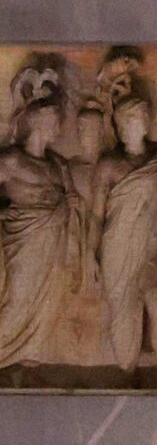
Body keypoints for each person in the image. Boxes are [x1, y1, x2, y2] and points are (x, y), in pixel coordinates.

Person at [89, 92, 157, 380]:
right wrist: (90, 254)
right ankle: (127, 369)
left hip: (152, 246)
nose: (140, 121)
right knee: (124, 311)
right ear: (121, 126)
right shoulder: (109, 164)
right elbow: (96, 215)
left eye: (143, 116)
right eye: (133, 117)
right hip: (117, 247)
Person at [0, 94, 85, 370]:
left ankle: (27, 352)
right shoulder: (12, 160)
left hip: (54, 243)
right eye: (55, 124)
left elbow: (71, 199)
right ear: (39, 124)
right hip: (23, 241)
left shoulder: (58, 164)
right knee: (17, 300)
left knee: (48, 301)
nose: (59, 130)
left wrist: (72, 204)